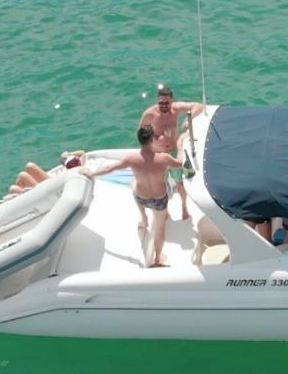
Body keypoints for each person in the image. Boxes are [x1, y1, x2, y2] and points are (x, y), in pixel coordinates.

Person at [84, 126, 184, 268]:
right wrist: (180, 147)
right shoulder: (164, 159)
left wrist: (91, 174)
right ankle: (158, 258)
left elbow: (109, 169)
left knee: (134, 183)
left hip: (141, 198)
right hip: (159, 199)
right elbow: (179, 163)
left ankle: (144, 219)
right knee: (160, 228)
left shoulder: (132, 159)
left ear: (140, 140)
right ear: (152, 139)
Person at [139, 87, 204, 221]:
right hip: (158, 155)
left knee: (180, 183)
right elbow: (141, 134)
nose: (164, 106)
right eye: (161, 103)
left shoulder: (175, 109)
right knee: (161, 184)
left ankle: (184, 208)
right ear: (157, 101)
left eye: (166, 103)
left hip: (174, 153)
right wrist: (155, 139)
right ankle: (165, 211)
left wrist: (188, 120)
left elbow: (199, 106)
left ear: (172, 101)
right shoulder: (150, 114)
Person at [4, 151, 87, 199]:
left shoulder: (75, 172)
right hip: (52, 182)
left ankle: (15, 198)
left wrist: (69, 154)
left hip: (49, 191)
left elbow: (82, 153)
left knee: (18, 181)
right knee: (29, 166)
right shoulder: (80, 167)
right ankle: (15, 196)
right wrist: (69, 154)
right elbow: (82, 153)